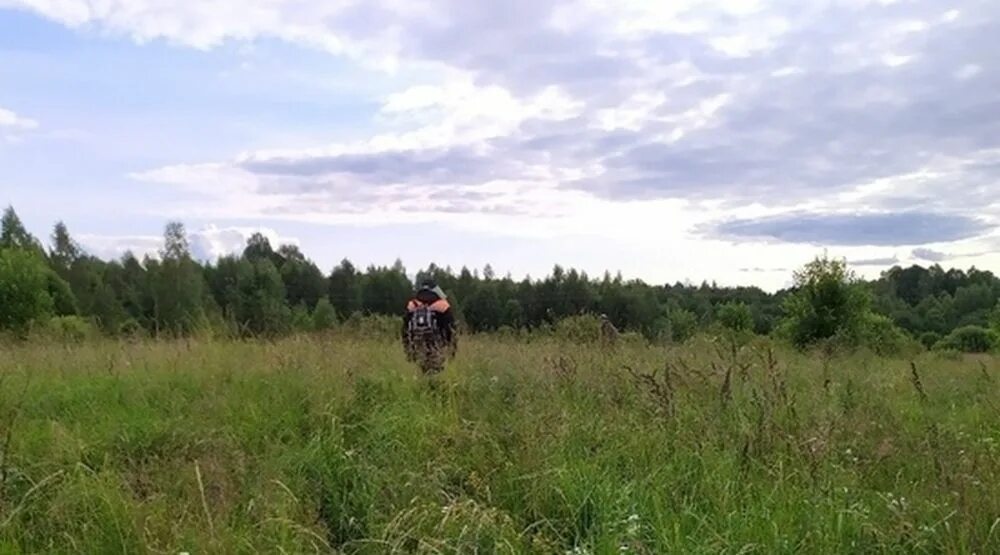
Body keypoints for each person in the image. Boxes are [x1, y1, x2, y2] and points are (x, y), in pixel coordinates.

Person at [402, 279, 457, 372]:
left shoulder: (412, 305)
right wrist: (452, 350)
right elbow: (451, 330)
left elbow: (405, 330)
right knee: (438, 372)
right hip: (437, 346)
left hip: (417, 345)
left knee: (420, 371)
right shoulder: (442, 305)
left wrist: (408, 350)